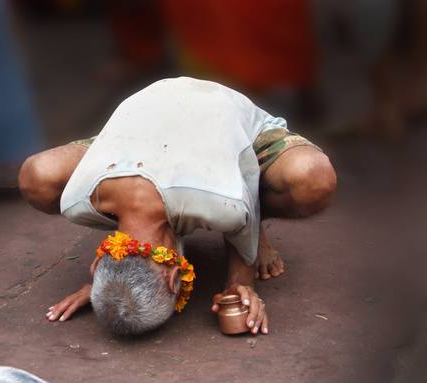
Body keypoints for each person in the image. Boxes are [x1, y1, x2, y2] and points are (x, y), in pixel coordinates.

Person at [19, 77, 336, 336]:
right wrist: (111, 287)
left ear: (174, 279)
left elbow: (247, 181)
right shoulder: (78, 201)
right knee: (37, 175)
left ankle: (251, 225)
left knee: (313, 180)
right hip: (148, 123)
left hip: (215, 106)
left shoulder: (217, 201)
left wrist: (240, 281)